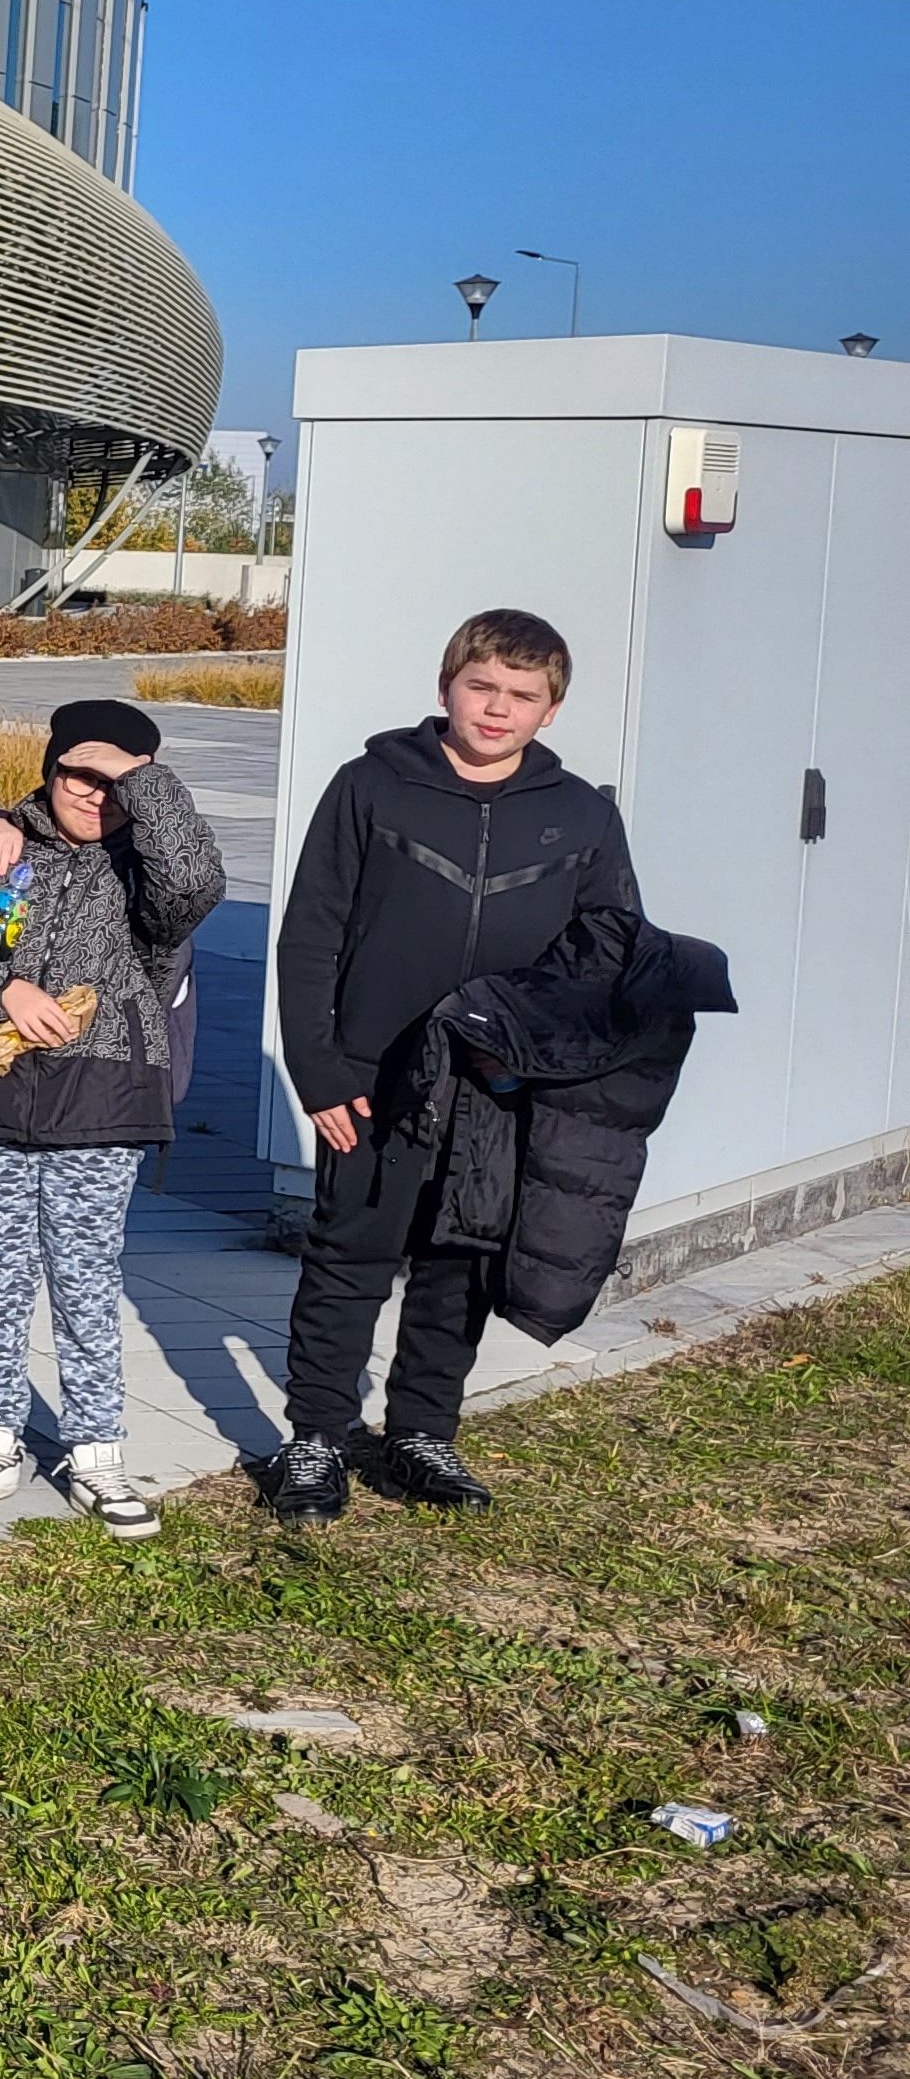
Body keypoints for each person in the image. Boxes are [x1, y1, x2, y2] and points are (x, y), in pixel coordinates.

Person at [269, 611, 636, 1520]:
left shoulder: (583, 815)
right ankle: (315, 1439)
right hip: (372, 1078)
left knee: (460, 1261)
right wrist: (321, 1070)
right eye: (483, 688)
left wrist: (553, 1066)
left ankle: (421, 1435)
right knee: (349, 1258)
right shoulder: (370, 787)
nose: (498, 709)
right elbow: (311, 933)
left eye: (523, 696)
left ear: (551, 710)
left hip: (503, 1089)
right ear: (447, 689)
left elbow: (609, 948)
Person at [0, 699, 225, 1539]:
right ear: (50, 768)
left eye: (119, 780)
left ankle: (96, 1450)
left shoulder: (148, 878)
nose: (96, 793)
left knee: (85, 1280)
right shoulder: (0, 854)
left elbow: (195, 881)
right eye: (82, 772)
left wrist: (144, 791)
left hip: (106, 1100)